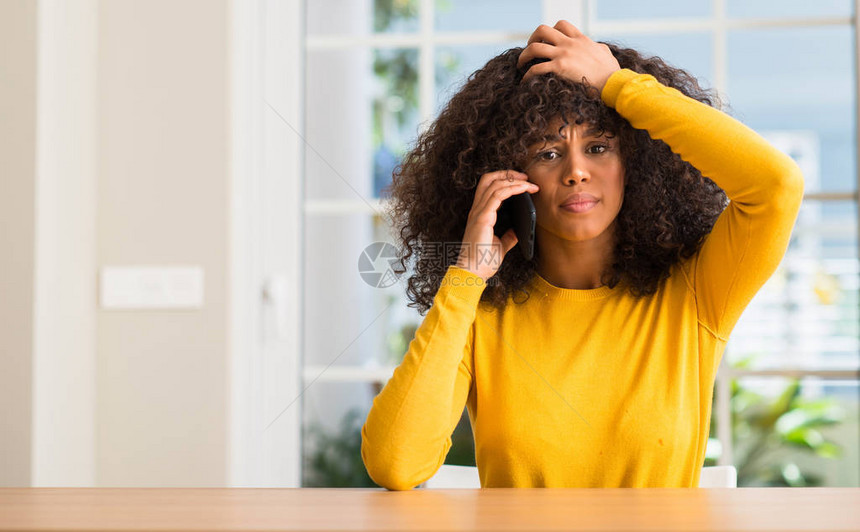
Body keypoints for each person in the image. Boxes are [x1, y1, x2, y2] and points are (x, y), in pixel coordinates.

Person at [361, 20, 804, 489]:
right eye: (548, 152)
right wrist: (467, 276)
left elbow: (777, 187)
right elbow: (395, 462)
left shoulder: (695, 292)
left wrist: (618, 87)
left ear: (633, 162)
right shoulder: (480, 313)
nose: (576, 171)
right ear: (510, 174)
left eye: (598, 147)